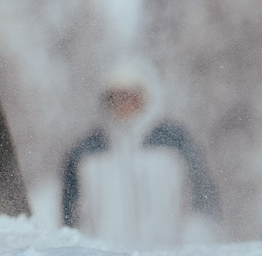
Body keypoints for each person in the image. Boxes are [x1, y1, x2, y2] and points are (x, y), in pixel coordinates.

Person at [59, 61, 218, 246]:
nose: (124, 103)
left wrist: (195, 246)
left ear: (147, 96)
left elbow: (202, 205)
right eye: (116, 96)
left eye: (131, 95)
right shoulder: (86, 153)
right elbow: (71, 218)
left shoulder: (174, 145)